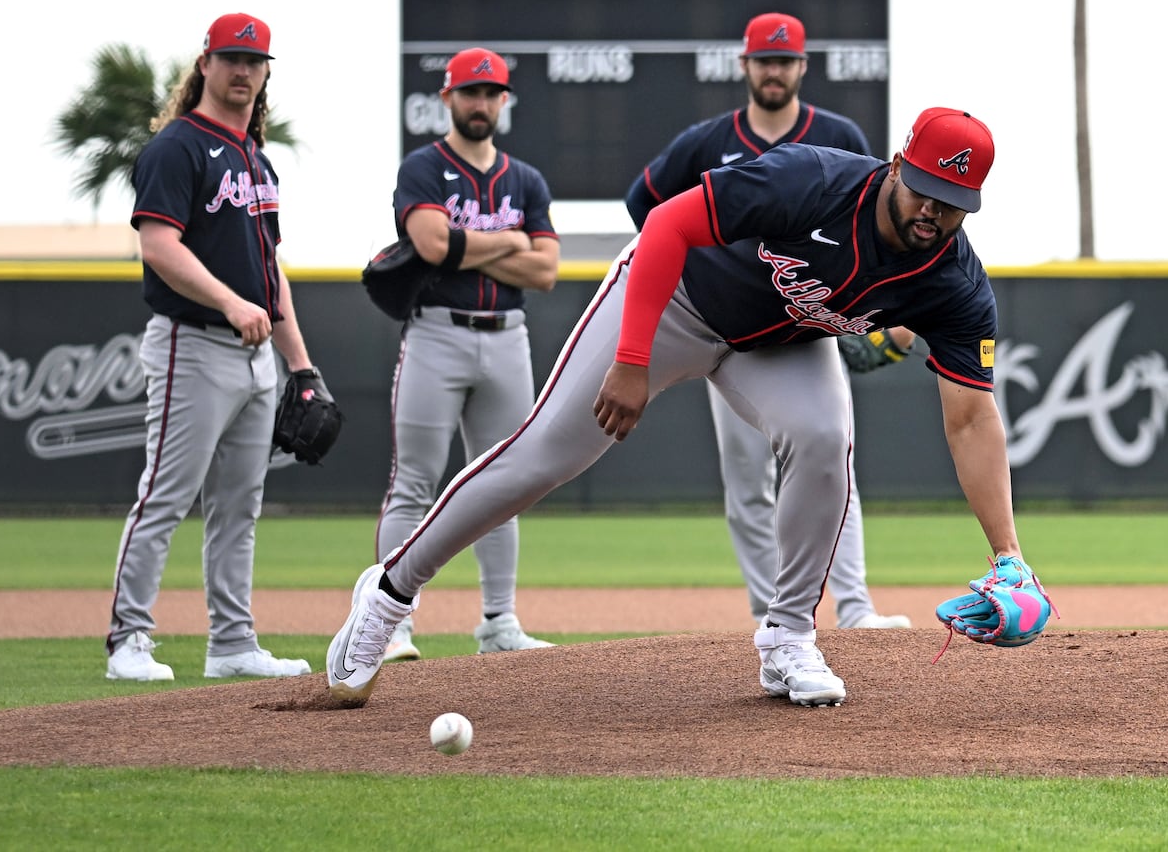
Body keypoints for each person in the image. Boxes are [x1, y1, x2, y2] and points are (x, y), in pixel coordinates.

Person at [328, 105, 1031, 709]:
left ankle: (787, 637)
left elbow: (972, 417)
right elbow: (666, 224)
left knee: (822, 437)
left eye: (953, 201)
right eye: (925, 190)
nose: (933, 212)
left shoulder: (952, 282)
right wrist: (632, 360)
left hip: (777, 343)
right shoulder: (810, 178)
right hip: (676, 301)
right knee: (545, 455)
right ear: (896, 166)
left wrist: (1008, 556)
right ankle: (390, 593)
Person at [626, 11, 913, 631]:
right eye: (765, 60)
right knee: (747, 479)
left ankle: (856, 609)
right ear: (746, 66)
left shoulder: (836, 132)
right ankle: (769, 612)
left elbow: (871, 225)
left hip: (806, 324)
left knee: (833, 461)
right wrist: (688, 274)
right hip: (725, 326)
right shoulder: (706, 141)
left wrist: (876, 314)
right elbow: (643, 205)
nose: (775, 70)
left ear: (802, 67)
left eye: (785, 60)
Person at [105, 12, 319, 682]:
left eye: (253, 61)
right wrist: (229, 302)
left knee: (238, 506)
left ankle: (231, 642)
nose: (241, 71)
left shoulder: (258, 159)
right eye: (230, 58)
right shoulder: (178, 147)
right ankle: (127, 642)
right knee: (164, 496)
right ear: (205, 63)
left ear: (265, 72)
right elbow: (158, 245)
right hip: (191, 347)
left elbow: (269, 271)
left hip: (255, 356)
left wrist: (301, 364)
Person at [375, 46, 561, 663]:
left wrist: (470, 244)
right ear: (448, 98)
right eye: (469, 92)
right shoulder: (423, 167)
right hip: (435, 333)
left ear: (503, 101)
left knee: (503, 482)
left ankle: (499, 621)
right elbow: (429, 244)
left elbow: (546, 271)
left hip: (508, 333)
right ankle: (390, 624)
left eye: (491, 93)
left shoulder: (524, 178)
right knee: (415, 483)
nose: (480, 103)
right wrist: (510, 239)